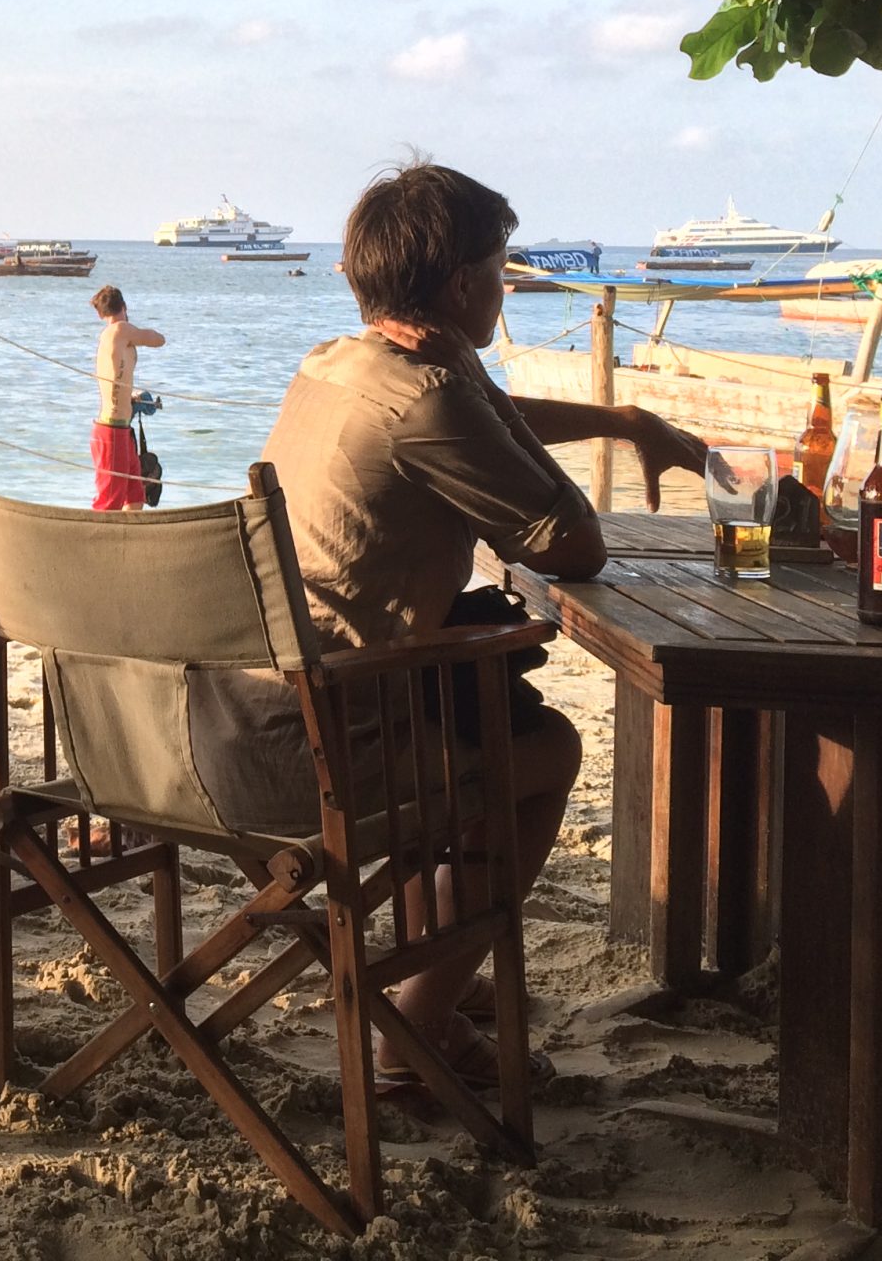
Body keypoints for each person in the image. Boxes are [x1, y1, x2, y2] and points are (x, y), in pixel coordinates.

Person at [257, 160, 704, 1087]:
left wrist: (620, 419)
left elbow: (477, 420)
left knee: (476, 717)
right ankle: (414, 1035)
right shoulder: (429, 397)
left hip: (226, 706)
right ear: (465, 283)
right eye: (501, 268)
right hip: (318, 741)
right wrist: (536, 440)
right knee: (541, 754)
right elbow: (572, 543)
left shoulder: (336, 363)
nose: (507, 285)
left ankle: (435, 977)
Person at [90, 285, 165, 511]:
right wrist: (136, 335)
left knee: (135, 496)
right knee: (108, 503)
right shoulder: (121, 329)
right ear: (123, 306)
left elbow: (114, 375)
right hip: (111, 431)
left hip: (122, 430)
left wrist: (129, 395)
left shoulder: (110, 337)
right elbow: (157, 339)